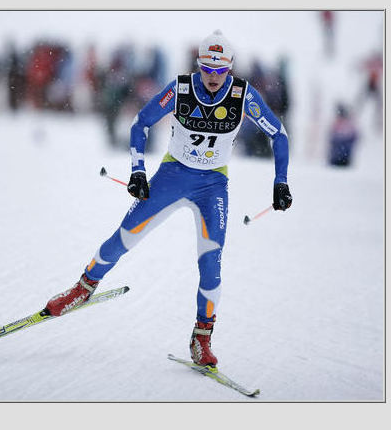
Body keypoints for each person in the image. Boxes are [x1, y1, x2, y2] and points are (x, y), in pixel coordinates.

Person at [45, 30, 292, 367]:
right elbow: (140, 123)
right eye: (207, 70)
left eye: (220, 72)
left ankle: (201, 338)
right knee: (125, 237)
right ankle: (82, 288)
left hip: (212, 186)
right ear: (198, 66)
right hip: (173, 176)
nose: (213, 78)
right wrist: (137, 171)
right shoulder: (181, 89)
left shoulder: (242, 95)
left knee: (211, 264)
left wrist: (280, 182)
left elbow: (278, 134)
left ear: (230, 70)